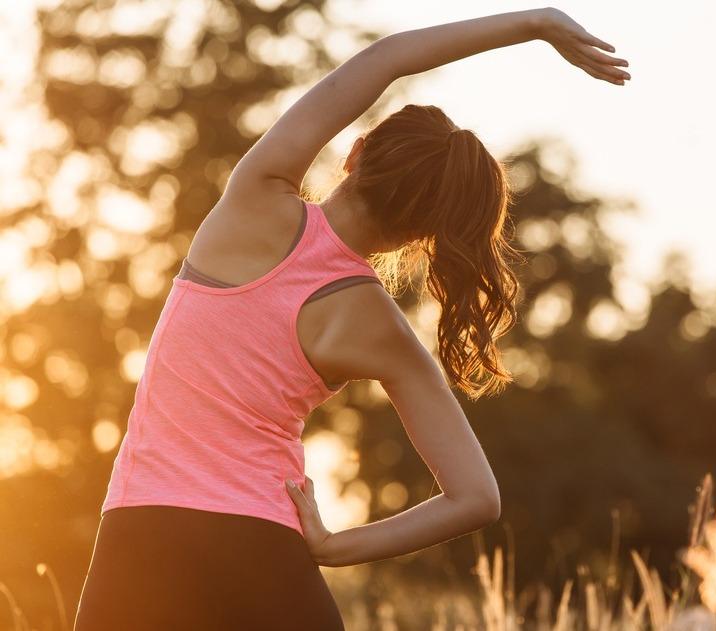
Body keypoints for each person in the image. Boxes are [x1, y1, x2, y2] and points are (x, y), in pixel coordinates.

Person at [73, 7, 630, 630]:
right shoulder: (382, 329)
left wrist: (535, 23)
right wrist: (336, 547)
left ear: (355, 153)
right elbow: (476, 498)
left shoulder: (255, 199)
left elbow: (387, 58)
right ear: (421, 234)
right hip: (267, 552)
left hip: (143, 536)